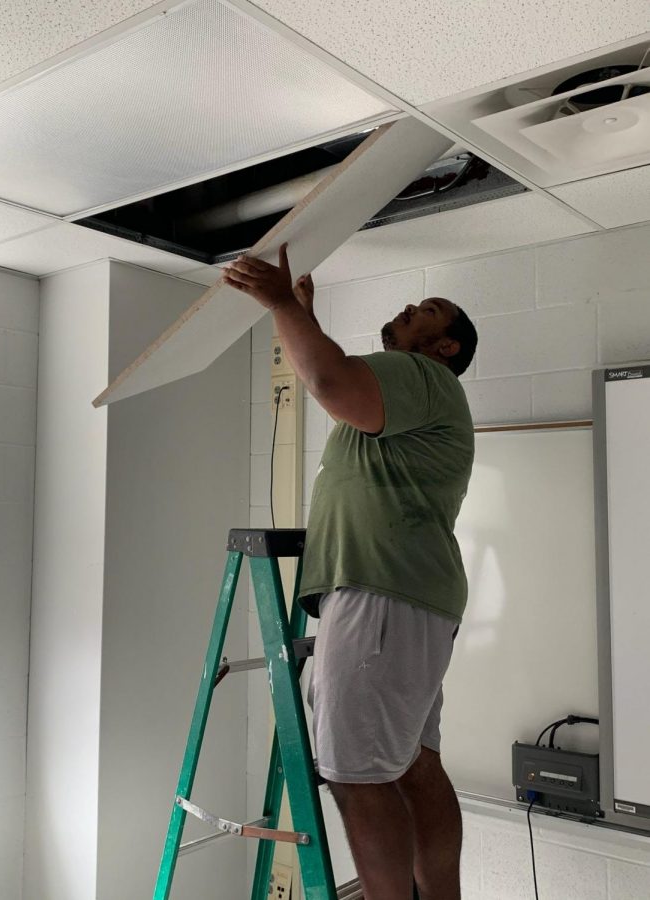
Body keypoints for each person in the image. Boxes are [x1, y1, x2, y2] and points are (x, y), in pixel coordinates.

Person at [224, 244, 477, 900]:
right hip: (404, 593)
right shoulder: (416, 393)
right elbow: (336, 373)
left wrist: (280, 304)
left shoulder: (420, 377)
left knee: (358, 775)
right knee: (414, 765)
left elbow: (330, 383)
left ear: (444, 347)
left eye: (426, 311)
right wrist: (300, 316)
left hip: (380, 591)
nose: (407, 309)